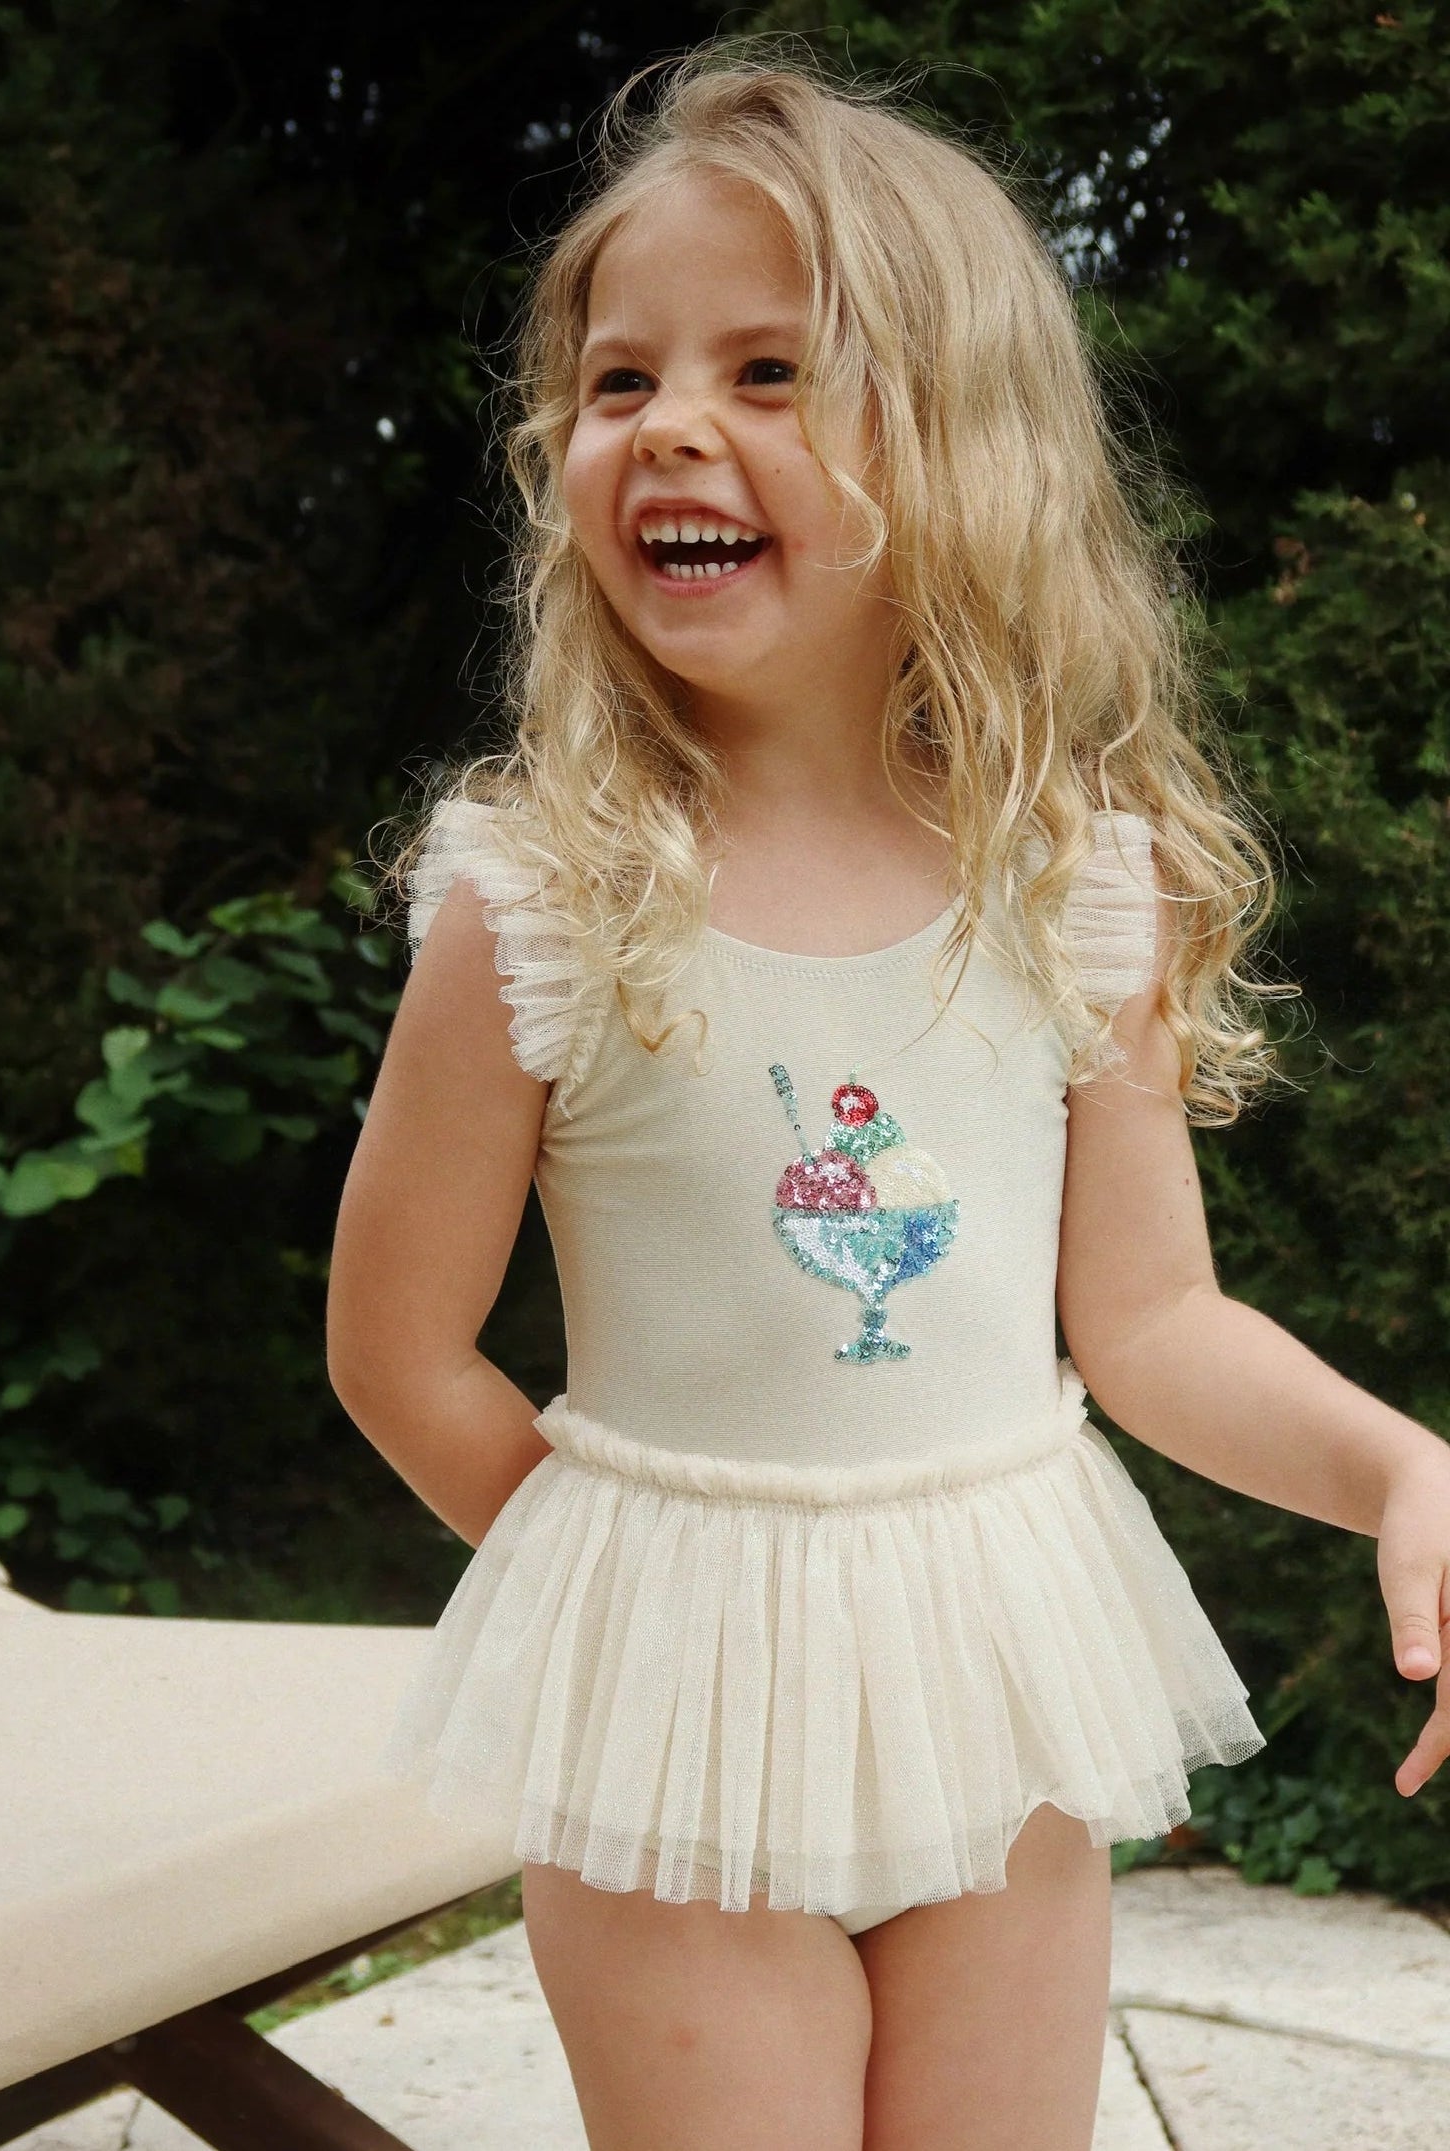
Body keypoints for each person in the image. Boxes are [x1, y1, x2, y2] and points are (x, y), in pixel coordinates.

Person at [326, 46, 1450, 2151]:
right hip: (685, 1769)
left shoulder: (1070, 882)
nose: (672, 422)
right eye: (621, 377)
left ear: (963, 449)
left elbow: (1151, 1322)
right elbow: (394, 1347)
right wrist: (641, 1619)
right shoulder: (539, 902)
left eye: (770, 370)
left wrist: (1402, 1465)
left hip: (993, 1712)